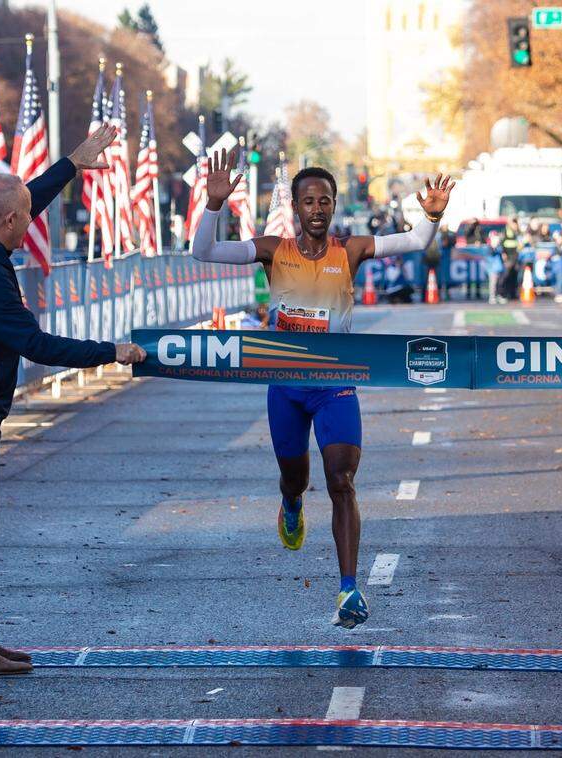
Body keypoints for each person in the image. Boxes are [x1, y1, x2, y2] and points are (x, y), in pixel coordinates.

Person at [0, 124, 147, 676]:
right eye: (24, 220)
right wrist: (111, 351)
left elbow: (23, 202)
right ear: (10, 224)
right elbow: (35, 343)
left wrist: (71, 163)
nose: (29, 225)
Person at [192, 148, 454, 629]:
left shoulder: (350, 250)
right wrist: (213, 205)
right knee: (297, 477)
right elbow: (204, 251)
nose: (317, 208)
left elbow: (416, 240)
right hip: (287, 389)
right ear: (296, 208)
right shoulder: (274, 250)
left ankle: (349, 589)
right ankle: (291, 503)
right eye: (308, 201)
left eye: (325, 201)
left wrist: (432, 217)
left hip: (335, 385)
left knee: (342, 480)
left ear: (333, 206)